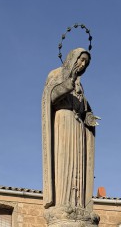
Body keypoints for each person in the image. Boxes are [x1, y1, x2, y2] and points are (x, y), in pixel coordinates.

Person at [41, 48, 99, 210]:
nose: (83, 64)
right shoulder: (57, 73)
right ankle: (63, 202)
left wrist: (88, 116)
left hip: (78, 125)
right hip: (63, 120)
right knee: (64, 160)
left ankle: (77, 203)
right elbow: (51, 96)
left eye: (86, 63)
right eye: (81, 60)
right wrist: (69, 82)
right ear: (73, 58)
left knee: (77, 164)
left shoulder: (80, 84)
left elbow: (83, 106)